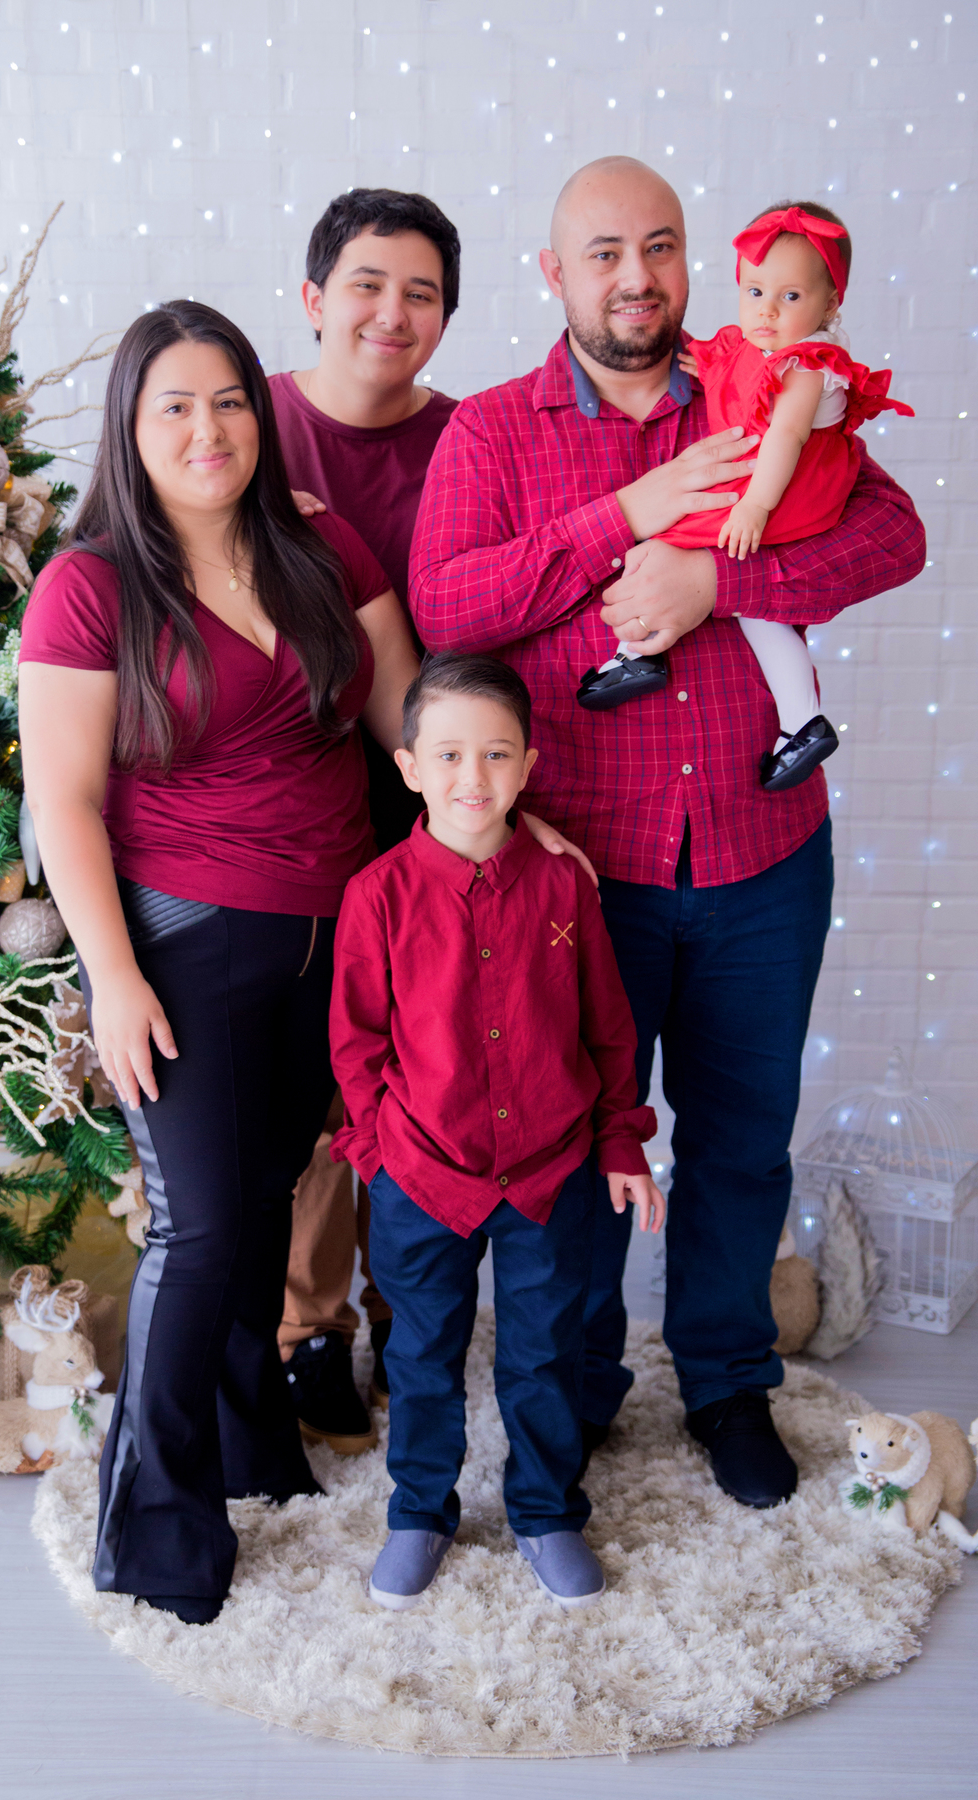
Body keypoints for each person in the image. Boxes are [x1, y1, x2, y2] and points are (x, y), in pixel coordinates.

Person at [410, 157, 926, 1513]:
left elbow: (895, 538)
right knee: (582, 1148)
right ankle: (572, 1385)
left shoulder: (763, 385)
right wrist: (622, 521)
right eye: (603, 254)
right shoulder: (496, 433)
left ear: (692, 261)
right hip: (587, 872)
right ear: (553, 275)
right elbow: (450, 609)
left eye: (661, 248)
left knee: (745, 1135)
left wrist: (719, 575)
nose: (635, 277)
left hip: (764, 846)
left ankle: (726, 1377)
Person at [17, 299, 422, 1625]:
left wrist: (502, 813)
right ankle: (153, 1527)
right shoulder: (92, 587)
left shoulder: (319, 548)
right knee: (197, 1232)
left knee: (259, 1211)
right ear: (132, 432)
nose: (208, 428)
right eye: (174, 406)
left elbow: (405, 719)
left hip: (331, 936)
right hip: (181, 945)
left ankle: (254, 1446)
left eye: (230, 399)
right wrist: (116, 978)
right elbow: (62, 803)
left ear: (263, 408)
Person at [271, 188, 595, 1456]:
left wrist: (516, 812)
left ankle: (436, 1335)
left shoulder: (473, 439)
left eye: (421, 294)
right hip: (299, 807)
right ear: (313, 298)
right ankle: (310, 1335)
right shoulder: (249, 428)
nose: (391, 313)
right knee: (325, 1085)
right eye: (366, 284)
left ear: (450, 317)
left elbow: (513, 634)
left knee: (455, 1065)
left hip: (447, 810)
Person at [330, 653, 663, 1611]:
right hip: (421, 1176)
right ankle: (419, 1512)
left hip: (550, 1175)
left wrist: (622, 1142)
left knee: (544, 1352)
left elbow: (607, 1026)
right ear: (410, 768)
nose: (472, 779)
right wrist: (376, 1155)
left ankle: (548, 1510)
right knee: (421, 1352)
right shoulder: (378, 895)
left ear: (526, 768)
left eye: (496, 756)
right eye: (450, 756)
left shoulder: (565, 889)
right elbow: (354, 1043)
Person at [578, 200, 913, 795]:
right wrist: (707, 364)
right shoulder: (766, 352)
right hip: (778, 486)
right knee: (762, 611)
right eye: (754, 291)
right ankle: (801, 723)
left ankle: (638, 651)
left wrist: (754, 507)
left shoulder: (809, 364)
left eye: (790, 298)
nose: (767, 311)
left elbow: (783, 434)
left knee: (659, 541)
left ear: (829, 304)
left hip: (782, 493)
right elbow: (743, 379)